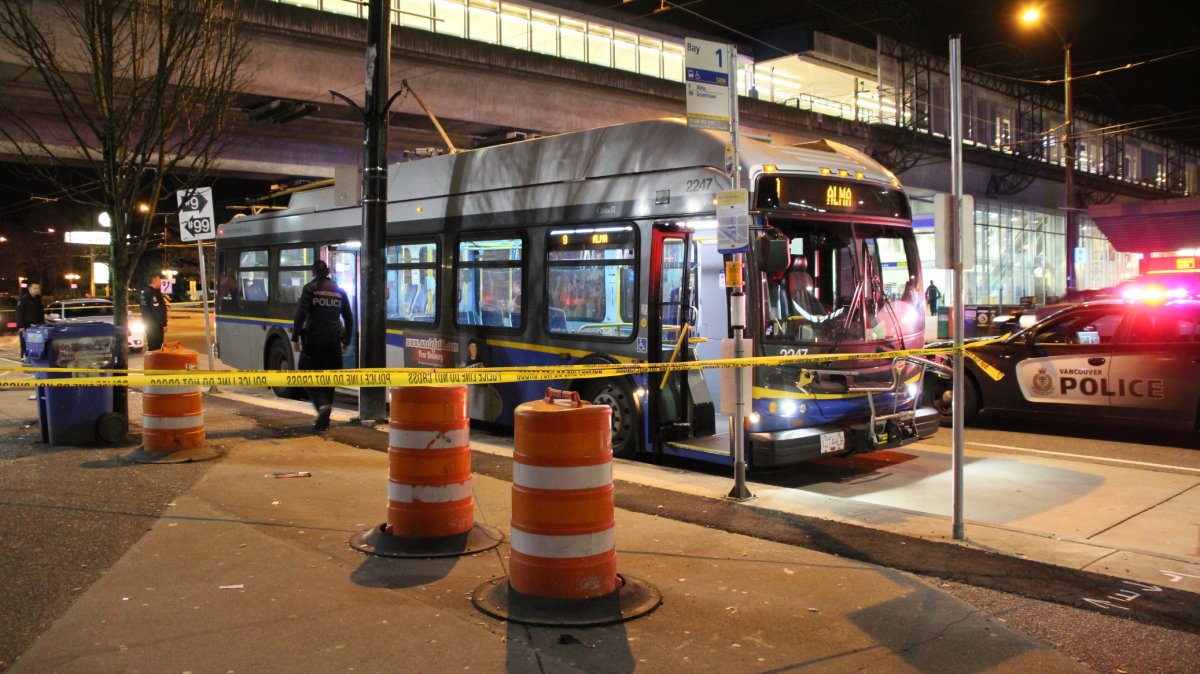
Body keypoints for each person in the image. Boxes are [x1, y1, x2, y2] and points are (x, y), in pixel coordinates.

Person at [292, 259, 353, 431]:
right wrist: (346, 341)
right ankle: (323, 422)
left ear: (313, 273)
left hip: (313, 341)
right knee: (329, 379)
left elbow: (300, 315)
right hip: (333, 341)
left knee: (305, 374)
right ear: (327, 272)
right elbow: (349, 317)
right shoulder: (339, 291)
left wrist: (295, 337)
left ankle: (321, 405)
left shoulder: (310, 289)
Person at [16, 281, 45, 362]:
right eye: (34, 288)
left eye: (38, 288)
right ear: (29, 289)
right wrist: (21, 326)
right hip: (26, 327)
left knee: (36, 345)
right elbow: (19, 313)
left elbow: (40, 313)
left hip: (37, 327)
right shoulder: (24, 299)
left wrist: (43, 323)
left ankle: (35, 362)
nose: (37, 290)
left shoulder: (38, 299)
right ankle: (25, 361)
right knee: (26, 345)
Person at [141, 273, 168, 351]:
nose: (161, 282)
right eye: (160, 280)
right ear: (155, 280)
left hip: (149, 325)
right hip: (155, 326)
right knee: (156, 347)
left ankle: (152, 361)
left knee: (152, 345)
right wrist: (163, 324)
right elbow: (157, 310)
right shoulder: (153, 294)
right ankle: (154, 362)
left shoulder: (145, 292)